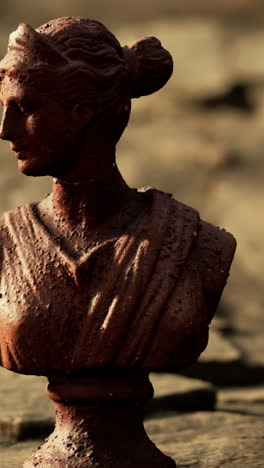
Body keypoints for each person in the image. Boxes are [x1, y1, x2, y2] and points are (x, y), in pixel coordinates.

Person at [0, 17, 236, 375]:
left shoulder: (198, 244)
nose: (5, 130)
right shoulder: (7, 243)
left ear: (82, 113)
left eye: (25, 108)